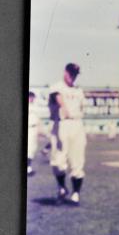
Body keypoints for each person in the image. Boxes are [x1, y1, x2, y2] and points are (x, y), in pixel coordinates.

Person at [48, 63, 86, 205]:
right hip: (61, 124)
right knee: (58, 162)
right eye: (70, 73)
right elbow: (58, 98)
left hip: (76, 125)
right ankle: (62, 187)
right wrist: (64, 108)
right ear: (65, 72)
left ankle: (76, 193)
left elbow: (82, 108)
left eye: (75, 73)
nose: (72, 76)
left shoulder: (79, 91)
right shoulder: (57, 86)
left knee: (77, 161)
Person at [27, 91, 41, 176]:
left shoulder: (34, 106)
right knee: (29, 150)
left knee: (32, 149)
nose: (32, 99)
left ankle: (28, 168)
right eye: (31, 97)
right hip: (29, 128)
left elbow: (37, 119)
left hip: (34, 129)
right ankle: (28, 169)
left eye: (33, 97)